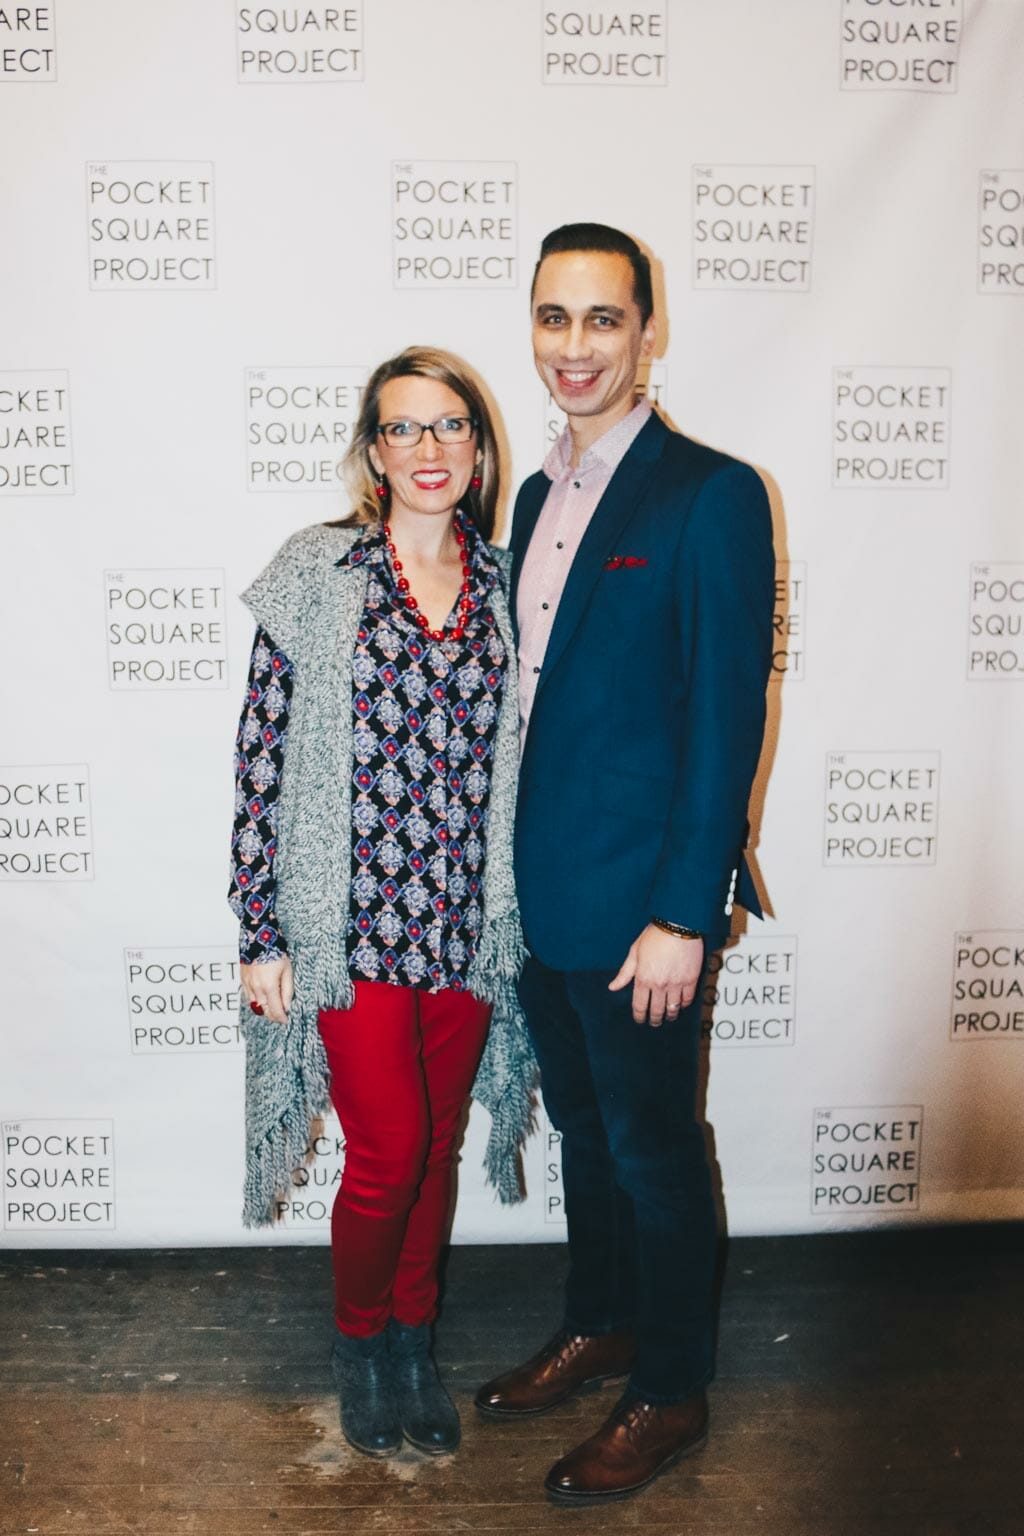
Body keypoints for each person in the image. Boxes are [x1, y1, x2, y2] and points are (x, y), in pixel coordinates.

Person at [474, 225, 776, 1502]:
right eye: (554, 317)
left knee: (653, 1151)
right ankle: (599, 1324)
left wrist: (682, 912)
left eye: (603, 318)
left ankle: (671, 1389)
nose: (575, 346)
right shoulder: (532, 496)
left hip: (643, 905)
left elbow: (725, 718)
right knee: (586, 1136)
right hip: (543, 895)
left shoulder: (711, 493)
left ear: (648, 331)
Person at [229, 347, 535, 1461]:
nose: (427, 448)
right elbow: (261, 752)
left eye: (449, 425)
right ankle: (358, 1344)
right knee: (389, 1152)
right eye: (402, 428)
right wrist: (260, 926)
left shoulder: (510, 582)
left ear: (479, 448)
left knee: (439, 1147)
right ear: (372, 453)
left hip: (466, 920)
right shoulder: (317, 570)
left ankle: (413, 1341)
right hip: (348, 924)